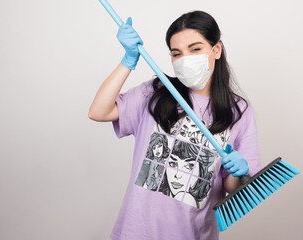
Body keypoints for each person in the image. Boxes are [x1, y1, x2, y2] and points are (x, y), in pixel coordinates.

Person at [89, 10, 261, 240]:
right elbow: (98, 111)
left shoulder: (239, 112)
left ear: (216, 49)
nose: (186, 59)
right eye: (176, 53)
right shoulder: (156, 92)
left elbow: (232, 189)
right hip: (135, 232)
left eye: (196, 49)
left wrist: (236, 171)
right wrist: (127, 61)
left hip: (193, 234)